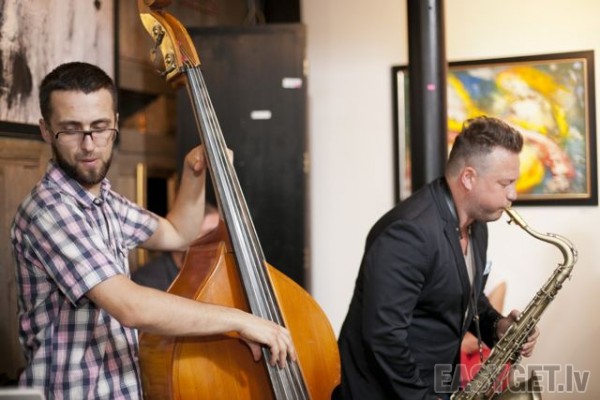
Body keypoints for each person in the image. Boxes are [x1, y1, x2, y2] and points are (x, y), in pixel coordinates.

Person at [10, 62, 296, 399]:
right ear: (46, 131)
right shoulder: (50, 210)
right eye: (71, 130)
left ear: (116, 123)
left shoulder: (106, 202)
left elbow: (177, 233)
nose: (89, 144)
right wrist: (240, 319)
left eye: (100, 127)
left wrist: (193, 173)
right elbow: (131, 307)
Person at [334, 116, 540, 399]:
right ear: (468, 178)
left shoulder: (476, 226)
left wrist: (498, 326)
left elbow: (465, 298)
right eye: (505, 183)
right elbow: (384, 339)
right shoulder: (408, 233)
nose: (513, 194)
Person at [132, 203, 220, 291]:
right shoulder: (146, 281)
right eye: (210, 234)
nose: (219, 243)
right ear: (187, 234)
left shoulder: (212, 275)